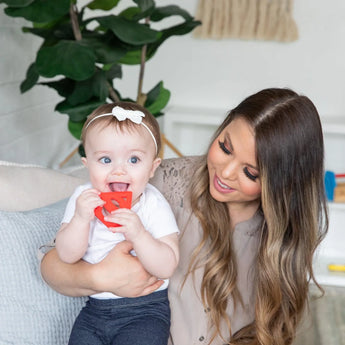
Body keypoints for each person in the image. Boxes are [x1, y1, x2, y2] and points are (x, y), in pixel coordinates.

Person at [40, 88, 328, 345]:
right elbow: (52, 266)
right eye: (225, 147)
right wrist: (100, 276)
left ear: (282, 183)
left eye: (250, 172)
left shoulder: (281, 237)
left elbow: (272, 330)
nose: (226, 173)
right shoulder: (156, 182)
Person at [54, 102, 179, 345]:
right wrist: (80, 219)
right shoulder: (83, 198)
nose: (119, 171)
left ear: (152, 167)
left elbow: (166, 267)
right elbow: (66, 255)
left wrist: (139, 234)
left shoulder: (153, 204)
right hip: (95, 310)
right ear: (87, 164)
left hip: (145, 311)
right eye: (105, 160)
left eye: (133, 159)